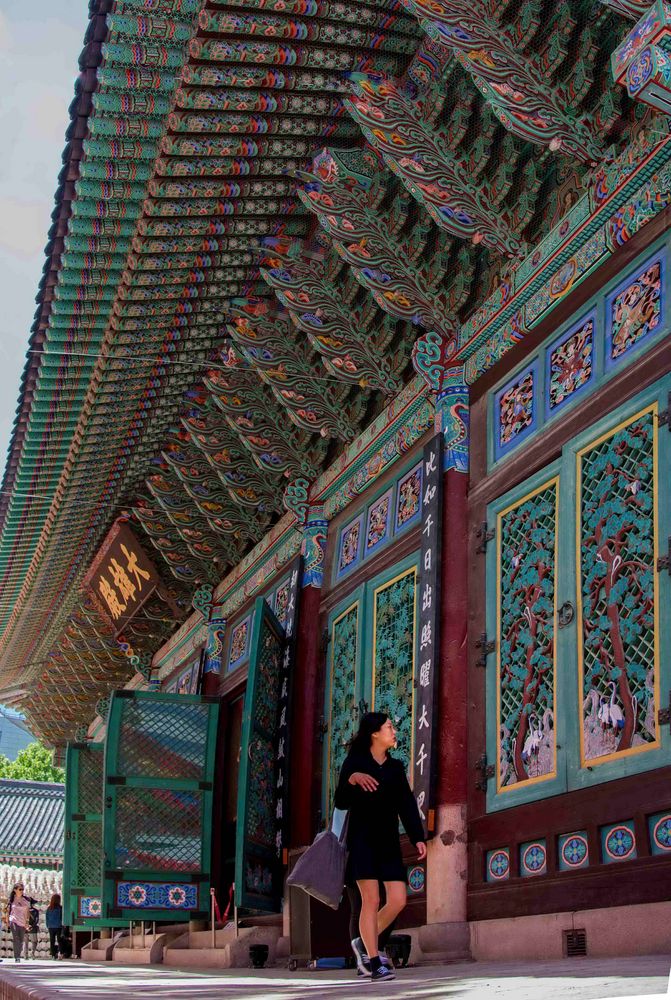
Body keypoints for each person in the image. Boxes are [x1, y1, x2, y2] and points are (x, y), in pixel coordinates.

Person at [335, 711, 426, 984]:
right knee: (371, 900)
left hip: (388, 841)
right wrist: (352, 780)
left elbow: (406, 804)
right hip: (362, 840)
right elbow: (340, 801)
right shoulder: (355, 762)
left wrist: (417, 836)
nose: (394, 730)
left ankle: (364, 943)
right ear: (375, 733)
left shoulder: (396, 767)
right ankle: (375, 963)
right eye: (389, 727)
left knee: (398, 900)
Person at [7, 883, 31, 963]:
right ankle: (17, 957)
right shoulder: (11, 899)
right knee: (16, 938)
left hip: (23, 922)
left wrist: (27, 921)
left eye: (22, 889)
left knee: (20, 940)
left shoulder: (26, 900)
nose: (21, 891)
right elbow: (8, 911)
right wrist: (8, 921)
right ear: (15, 890)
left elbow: (28, 912)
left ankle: (18, 954)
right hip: (13, 920)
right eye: (20, 889)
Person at [46, 894, 63, 959]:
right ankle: (60, 953)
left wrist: (48, 925)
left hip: (51, 926)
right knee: (60, 940)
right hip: (58, 926)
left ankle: (53, 954)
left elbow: (47, 917)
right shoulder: (60, 908)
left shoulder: (49, 908)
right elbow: (62, 917)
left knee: (52, 941)